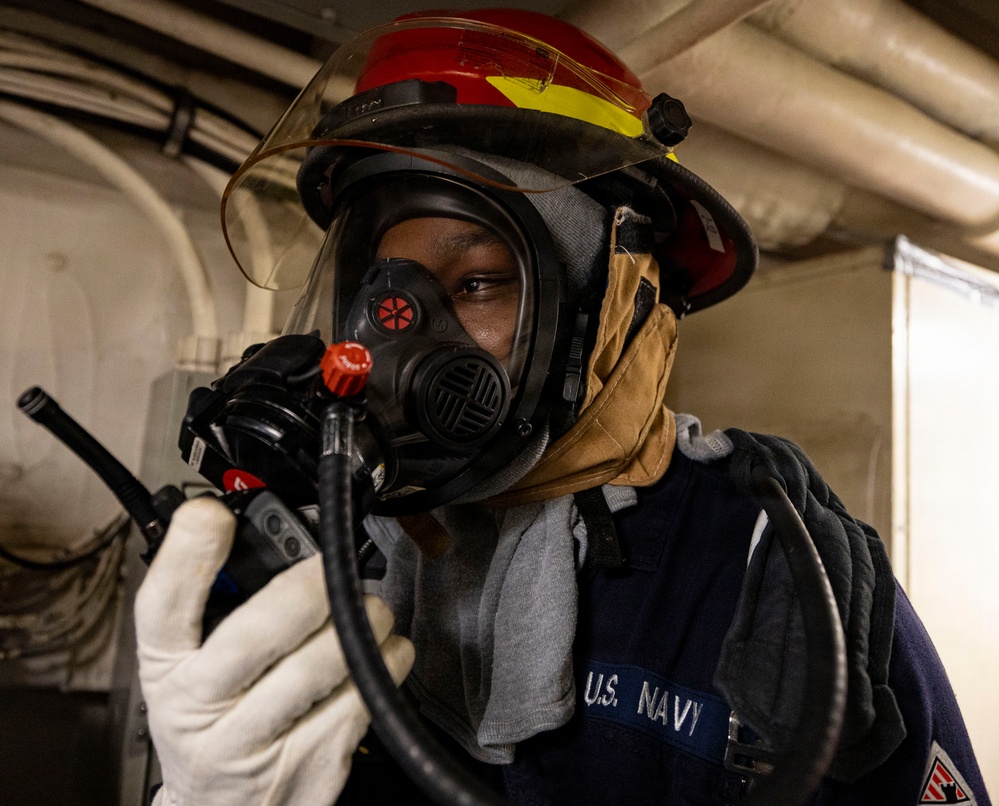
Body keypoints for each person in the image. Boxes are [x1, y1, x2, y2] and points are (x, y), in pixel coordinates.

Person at [134, 8, 991, 806]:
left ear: (611, 304)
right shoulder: (307, 555)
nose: (394, 343)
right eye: (379, 295)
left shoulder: (770, 565)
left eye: (475, 283)